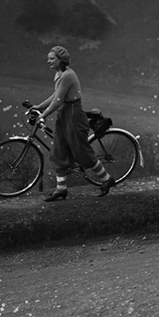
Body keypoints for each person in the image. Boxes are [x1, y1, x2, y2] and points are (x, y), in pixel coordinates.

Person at [33, 46, 115, 201]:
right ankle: (61, 189)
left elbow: (58, 100)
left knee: (82, 152)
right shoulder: (60, 73)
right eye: (49, 58)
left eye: (52, 58)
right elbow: (56, 95)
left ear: (61, 60)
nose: (48, 61)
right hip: (63, 115)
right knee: (59, 151)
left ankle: (106, 179)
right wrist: (40, 106)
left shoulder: (67, 75)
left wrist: (43, 115)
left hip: (73, 115)